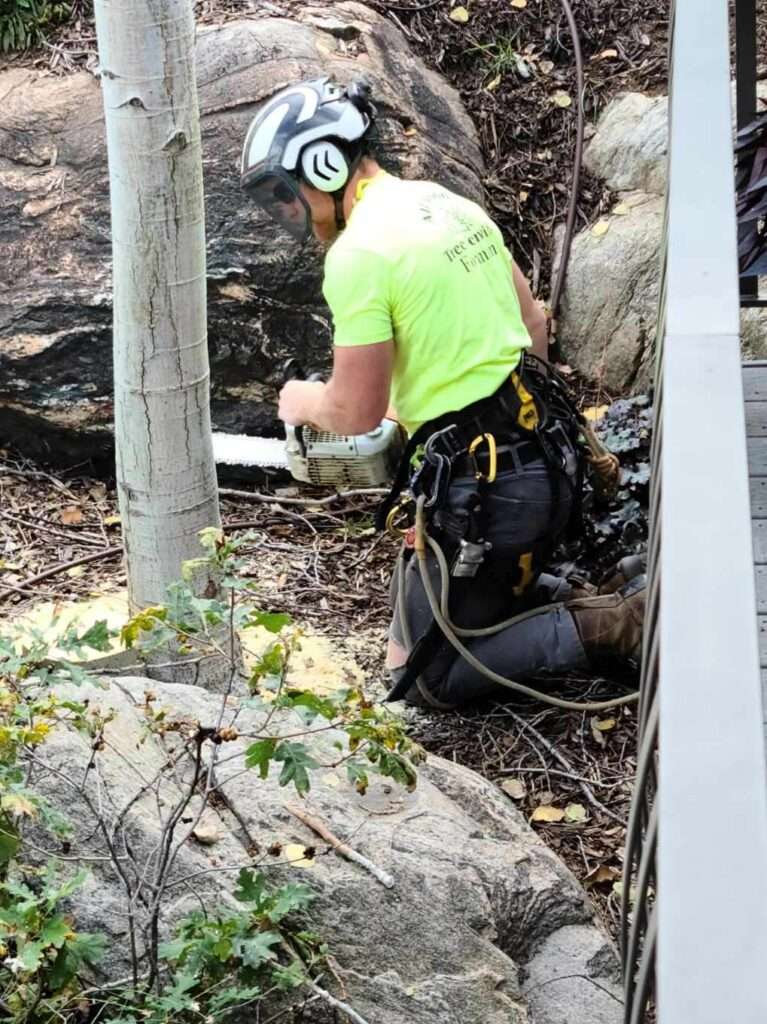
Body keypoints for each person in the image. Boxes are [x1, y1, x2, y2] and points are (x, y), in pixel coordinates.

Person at [240, 76, 645, 709]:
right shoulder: (443, 201)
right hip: (550, 457)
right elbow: (532, 323)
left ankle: (623, 623)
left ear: (322, 162)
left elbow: (354, 410)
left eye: (284, 192)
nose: (288, 209)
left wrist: (301, 400)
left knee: (426, 679)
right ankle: (581, 592)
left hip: (493, 493)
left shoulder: (358, 253)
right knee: (405, 645)